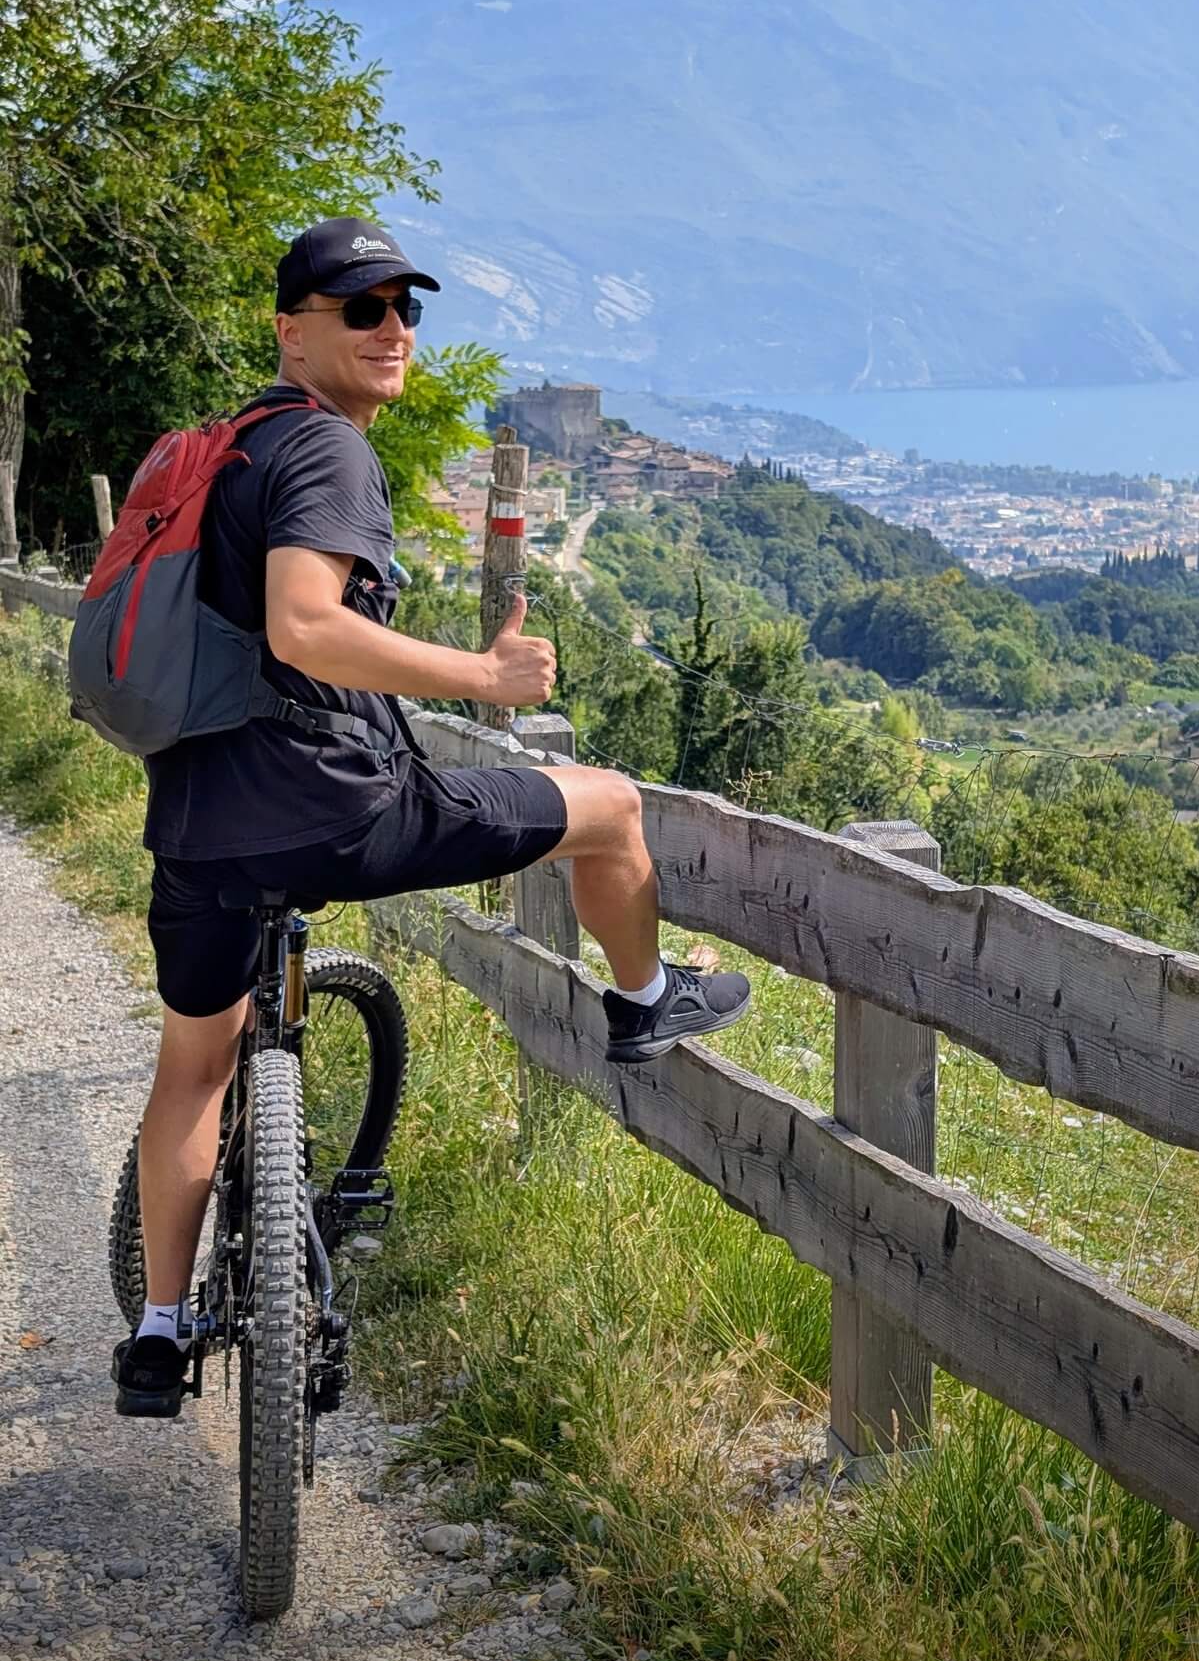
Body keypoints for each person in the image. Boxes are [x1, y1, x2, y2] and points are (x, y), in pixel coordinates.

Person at [113, 217, 749, 1418]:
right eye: (363, 309)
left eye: (407, 307)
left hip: (195, 822)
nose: (394, 328)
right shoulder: (326, 453)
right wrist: (485, 678)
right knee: (609, 809)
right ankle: (644, 1001)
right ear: (292, 329)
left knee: (194, 1071)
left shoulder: (217, 452)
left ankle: (157, 1330)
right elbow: (304, 625)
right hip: (336, 810)